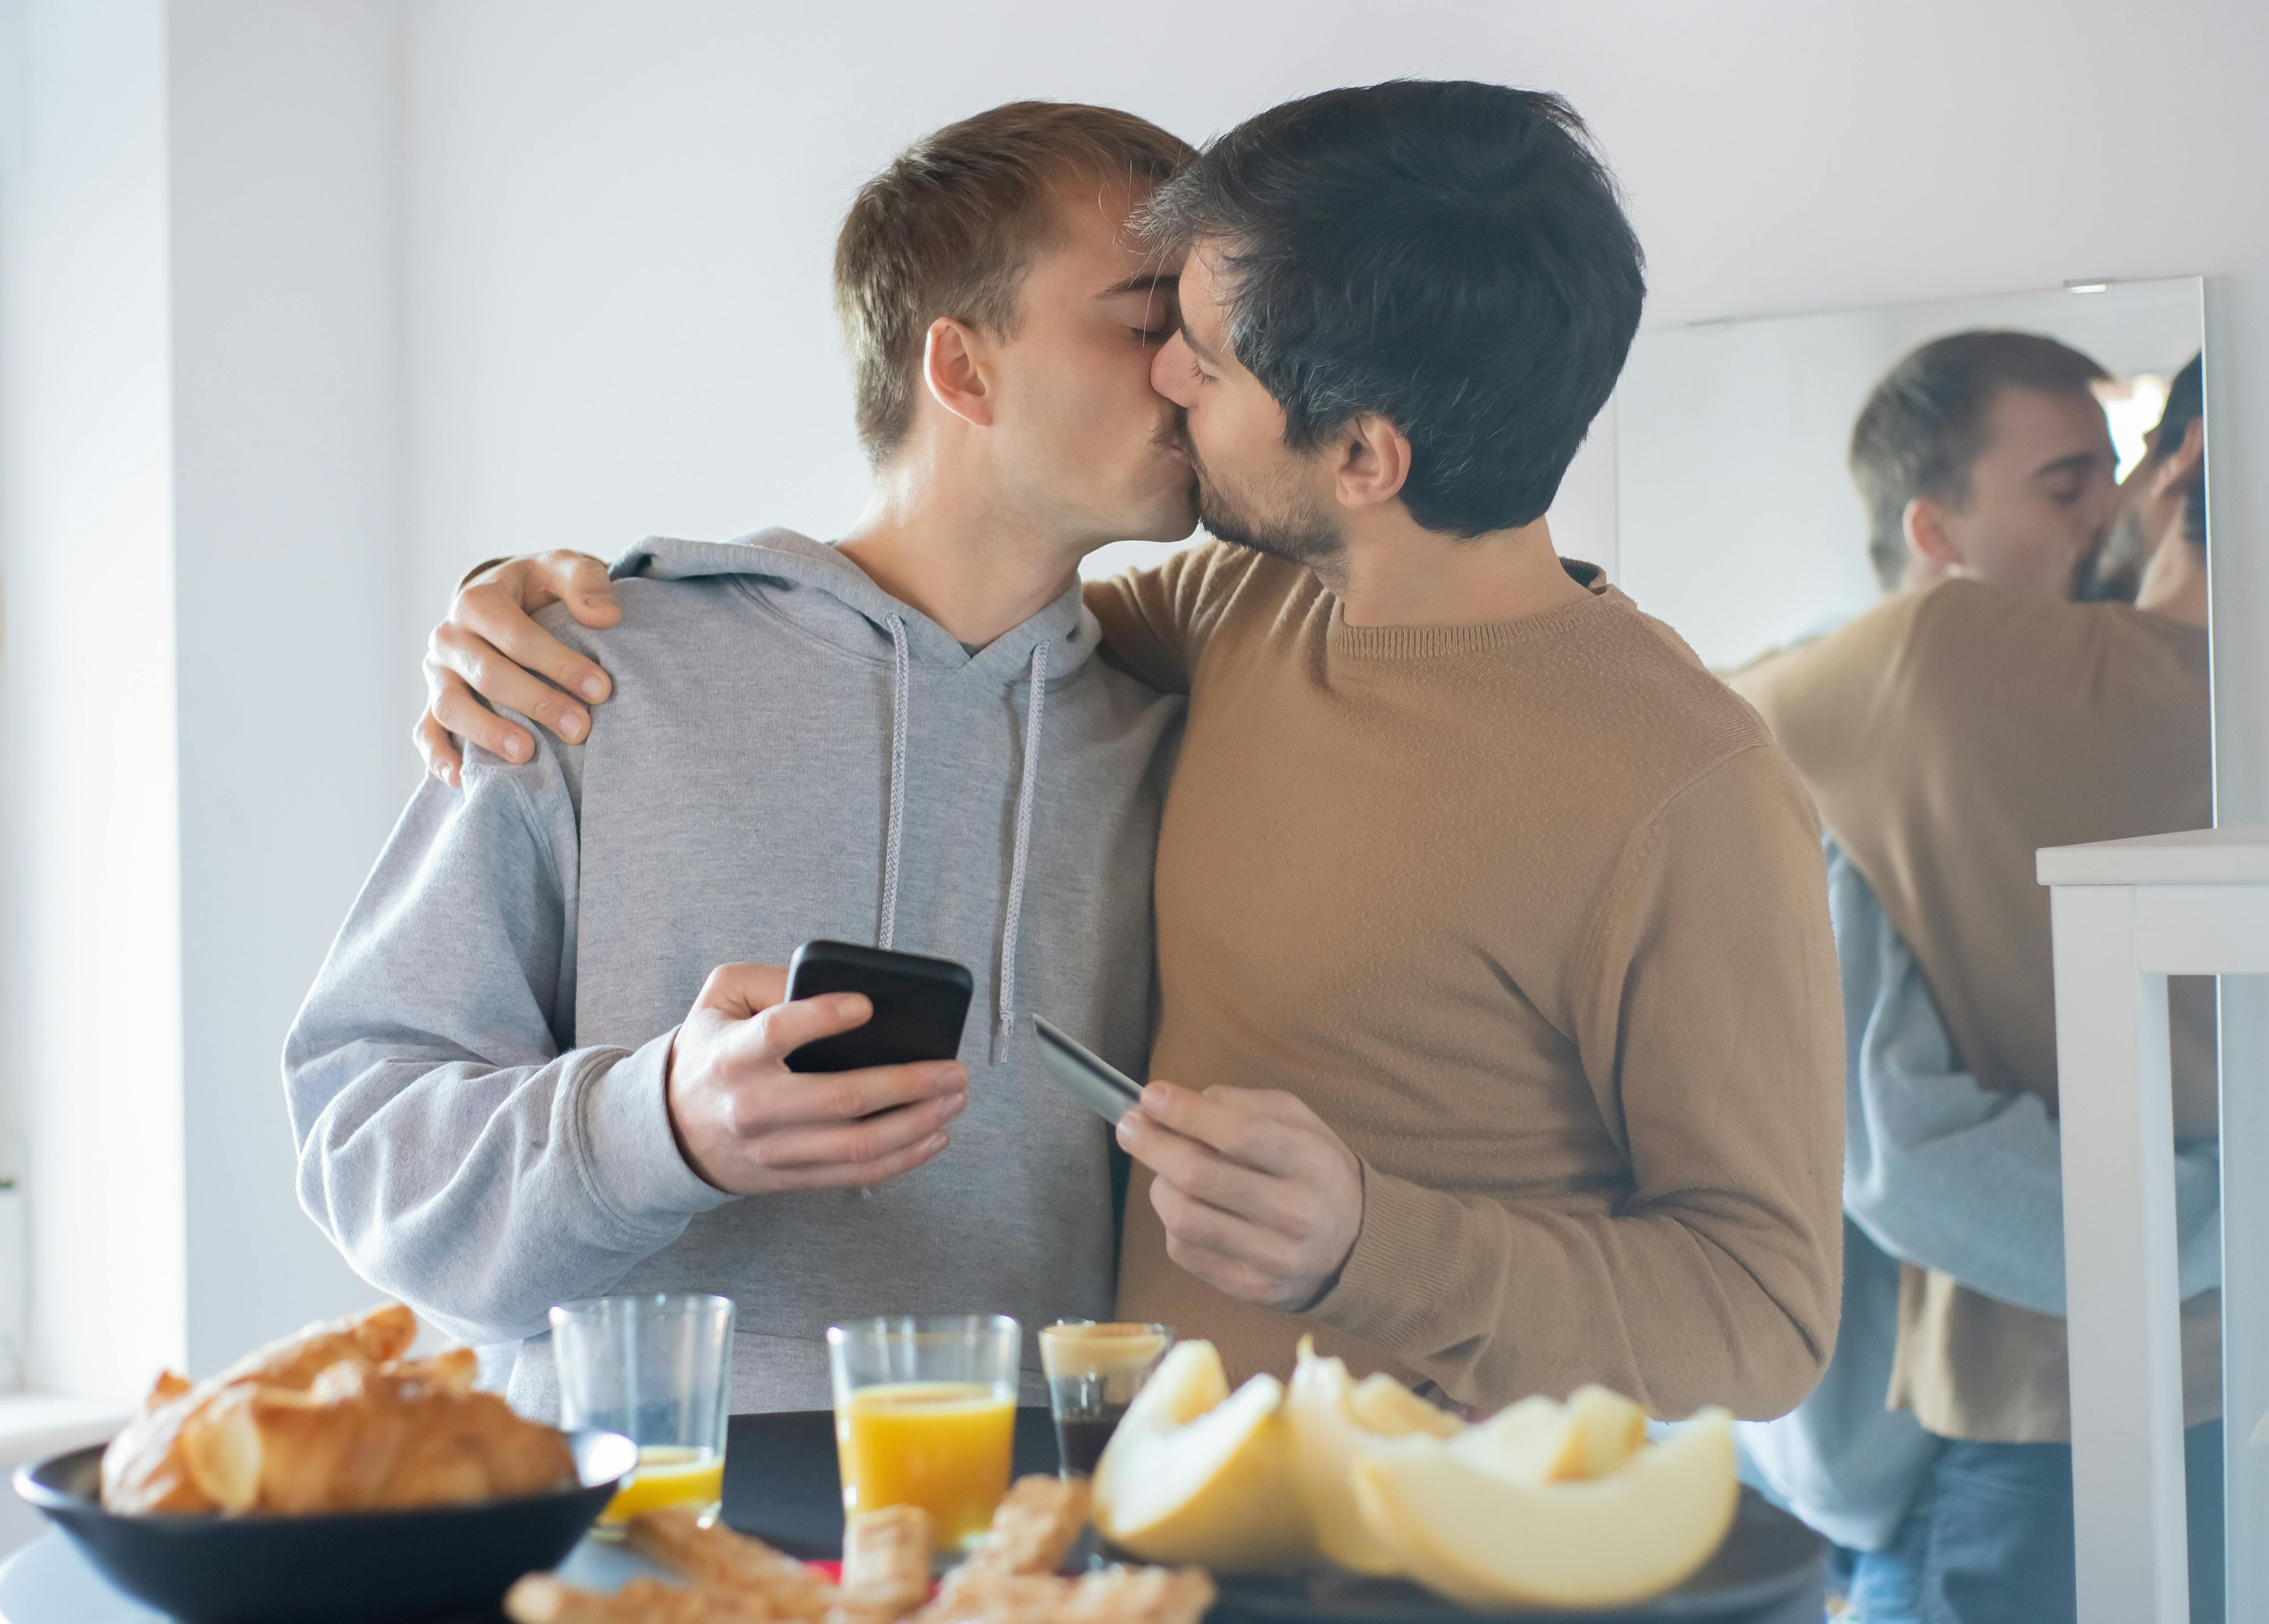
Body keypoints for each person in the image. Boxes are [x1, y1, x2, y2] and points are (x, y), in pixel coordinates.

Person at [416, 81, 1846, 1418]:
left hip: (1435, 1564)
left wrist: (1376, 1241)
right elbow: (930, 625)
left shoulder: (1687, 788)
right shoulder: (1226, 614)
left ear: (1360, 462)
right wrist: (535, 608)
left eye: (1201, 350)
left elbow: (1767, 1324)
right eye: (1146, 322)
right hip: (1090, 1531)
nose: (1168, 375)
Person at [286, 102, 1196, 1416]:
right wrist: (658, 1121)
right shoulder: (594, 669)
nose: (1190, 368)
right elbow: (362, 1147)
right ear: (964, 370)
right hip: (643, 1525)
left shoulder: (1175, 739)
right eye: (1142, 316)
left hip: (1029, 1543)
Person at [1732, 345, 2221, 1623]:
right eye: (2065, 486)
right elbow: (1898, 1151)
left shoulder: (2053, 715)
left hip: (1987, 1429)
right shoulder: (1868, 720)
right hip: (1915, 1451)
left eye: (2104, 477)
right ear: (1934, 534)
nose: (2106, 513)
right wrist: (2250, 1214)